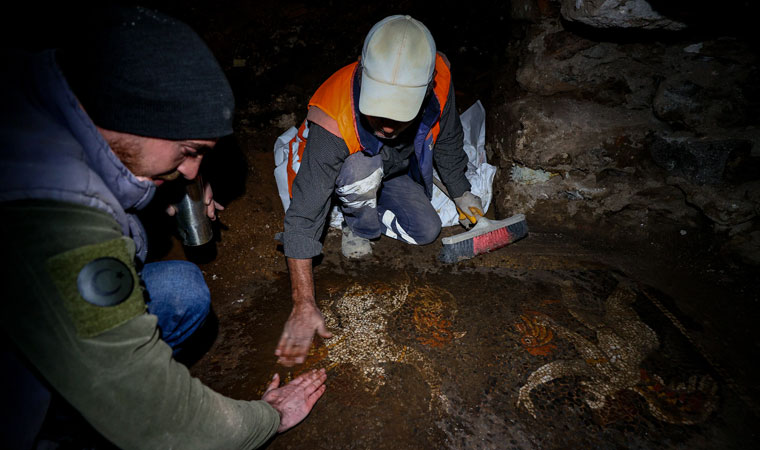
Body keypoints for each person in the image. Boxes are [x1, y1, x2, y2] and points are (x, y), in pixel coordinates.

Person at [0, 6, 326, 449]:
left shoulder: (47, 90)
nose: (192, 172)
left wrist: (164, 190)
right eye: (188, 150)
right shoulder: (54, 217)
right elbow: (163, 418)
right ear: (133, 114)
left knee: (181, 288)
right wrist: (270, 416)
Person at [275, 15, 485, 366]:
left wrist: (462, 192)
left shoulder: (440, 80)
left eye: (400, 114)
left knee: (428, 231)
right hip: (357, 164)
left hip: (397, 170)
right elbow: (303, 217)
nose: (388, 126)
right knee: (361, 168)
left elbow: (448, 140)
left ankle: (371, 200)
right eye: (379, 112)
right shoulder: (333, 115)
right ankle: (359, 222)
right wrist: (303, 304)